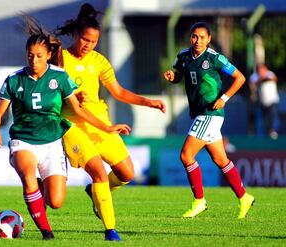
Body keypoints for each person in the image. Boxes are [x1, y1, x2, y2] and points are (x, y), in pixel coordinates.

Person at [0, 15, 130, 241]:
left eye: (39, 56)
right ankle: (47, 234)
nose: (34, 60)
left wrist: (108, 127)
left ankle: (37, 195)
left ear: (48, 57)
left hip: (53, 141)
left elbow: (80, 110)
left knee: (55, 201)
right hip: (23, 140)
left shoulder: (60, 77)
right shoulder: (14, 80)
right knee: (28, 176)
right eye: (30, 55)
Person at [55, 1, 166, 223]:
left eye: (94, 41)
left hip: (101, 123)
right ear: (76, 34)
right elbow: (53, 90)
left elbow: (118, 92)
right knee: (97, 171)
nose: (88, 45)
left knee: (127, 174)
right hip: (74, 125)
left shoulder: (99, 61)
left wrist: (148, 102)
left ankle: (93, 191)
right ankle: (108, 224)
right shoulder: (61, 59)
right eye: (85, 39)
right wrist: (71, 98)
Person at [163, 21, 254, 219]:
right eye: (195, 36)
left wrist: (223, 99)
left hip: (209, 113)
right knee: (220, 159)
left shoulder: (215, 58)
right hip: (199, 113)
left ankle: (199, 201)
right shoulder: (184, 56)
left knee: (186, 156)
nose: (198, 40)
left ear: (209, 39)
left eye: (202, 37)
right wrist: (173, 76)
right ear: (190, 37)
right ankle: (244, 196)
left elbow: (240, 78)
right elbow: (179, 75)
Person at [249, 64, 280, 139]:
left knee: (273, 115)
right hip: (261, 101)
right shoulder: (254, 76)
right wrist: (261, 79)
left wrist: (263, 79)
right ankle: (264, 133)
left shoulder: (270, 73)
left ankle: (273, 131)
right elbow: (252, 85)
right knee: (264, 118)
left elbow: (274, 79)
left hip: (273, 99)